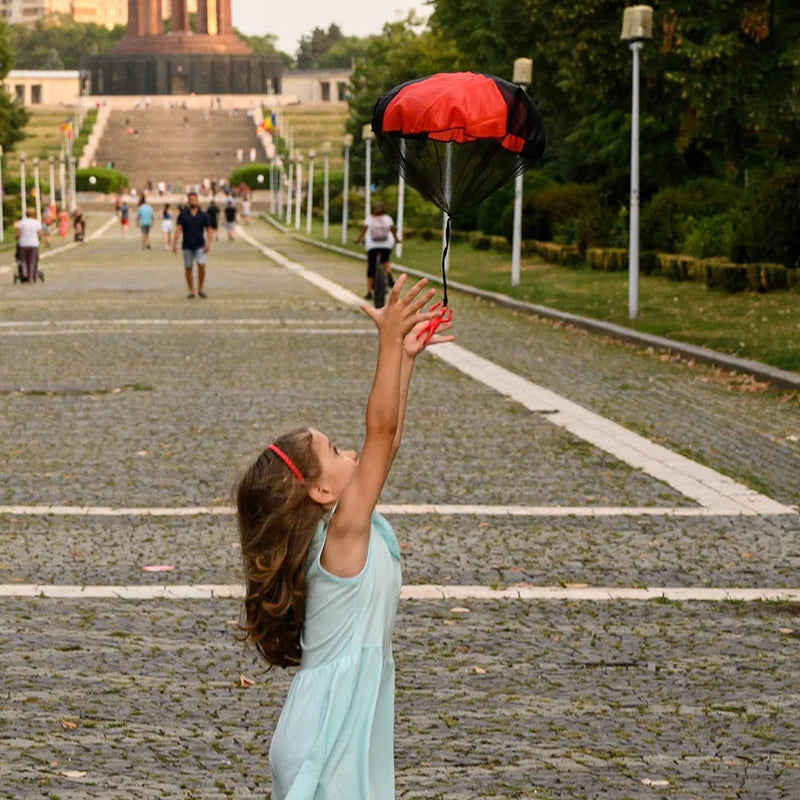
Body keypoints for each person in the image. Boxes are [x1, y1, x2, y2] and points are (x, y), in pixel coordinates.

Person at [235, 276, 452, 799]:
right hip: (325, 731)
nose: (351, 453)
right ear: (322, 490)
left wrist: (405, 357)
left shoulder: (346, 528)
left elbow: (390, 437)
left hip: (339, 718)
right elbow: (378, 434)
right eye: (335, 451)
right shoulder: (341, 540)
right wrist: (386, 343)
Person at [355, 202, 400, 302]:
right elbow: (392, 230)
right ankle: (388, 275)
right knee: (386, 260)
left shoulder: (369, 218)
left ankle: (369, 292)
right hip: (386, 245)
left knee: (371, 266)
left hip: (372, 246)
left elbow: (364, 231)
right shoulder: (388, 218)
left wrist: (358, 239)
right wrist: (396, 239)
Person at [173, 190, 211, 299]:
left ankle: (200, 288)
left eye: (194, 199)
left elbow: (209, 229)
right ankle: (191, 290)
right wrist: (174, 244)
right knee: (188, 268)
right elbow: (178, 229)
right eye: (190, 199)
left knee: (201, 265)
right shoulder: (183, 215)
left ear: (197, 200)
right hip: (187, 245)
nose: (192, 201)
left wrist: (208, 243)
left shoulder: (204, 215)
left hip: (200, 245)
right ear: (188, 201)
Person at [15, 208, 42, 283]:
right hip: (33, 244)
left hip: (23, 244)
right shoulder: (36, 223)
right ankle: (31, 277)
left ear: (26, 214)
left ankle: (24, 274)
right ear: (34, 214)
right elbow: (40, 234)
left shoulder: (21, 223)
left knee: (23, 260)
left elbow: (18, 234)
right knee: (32, 261)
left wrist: (16, 238)